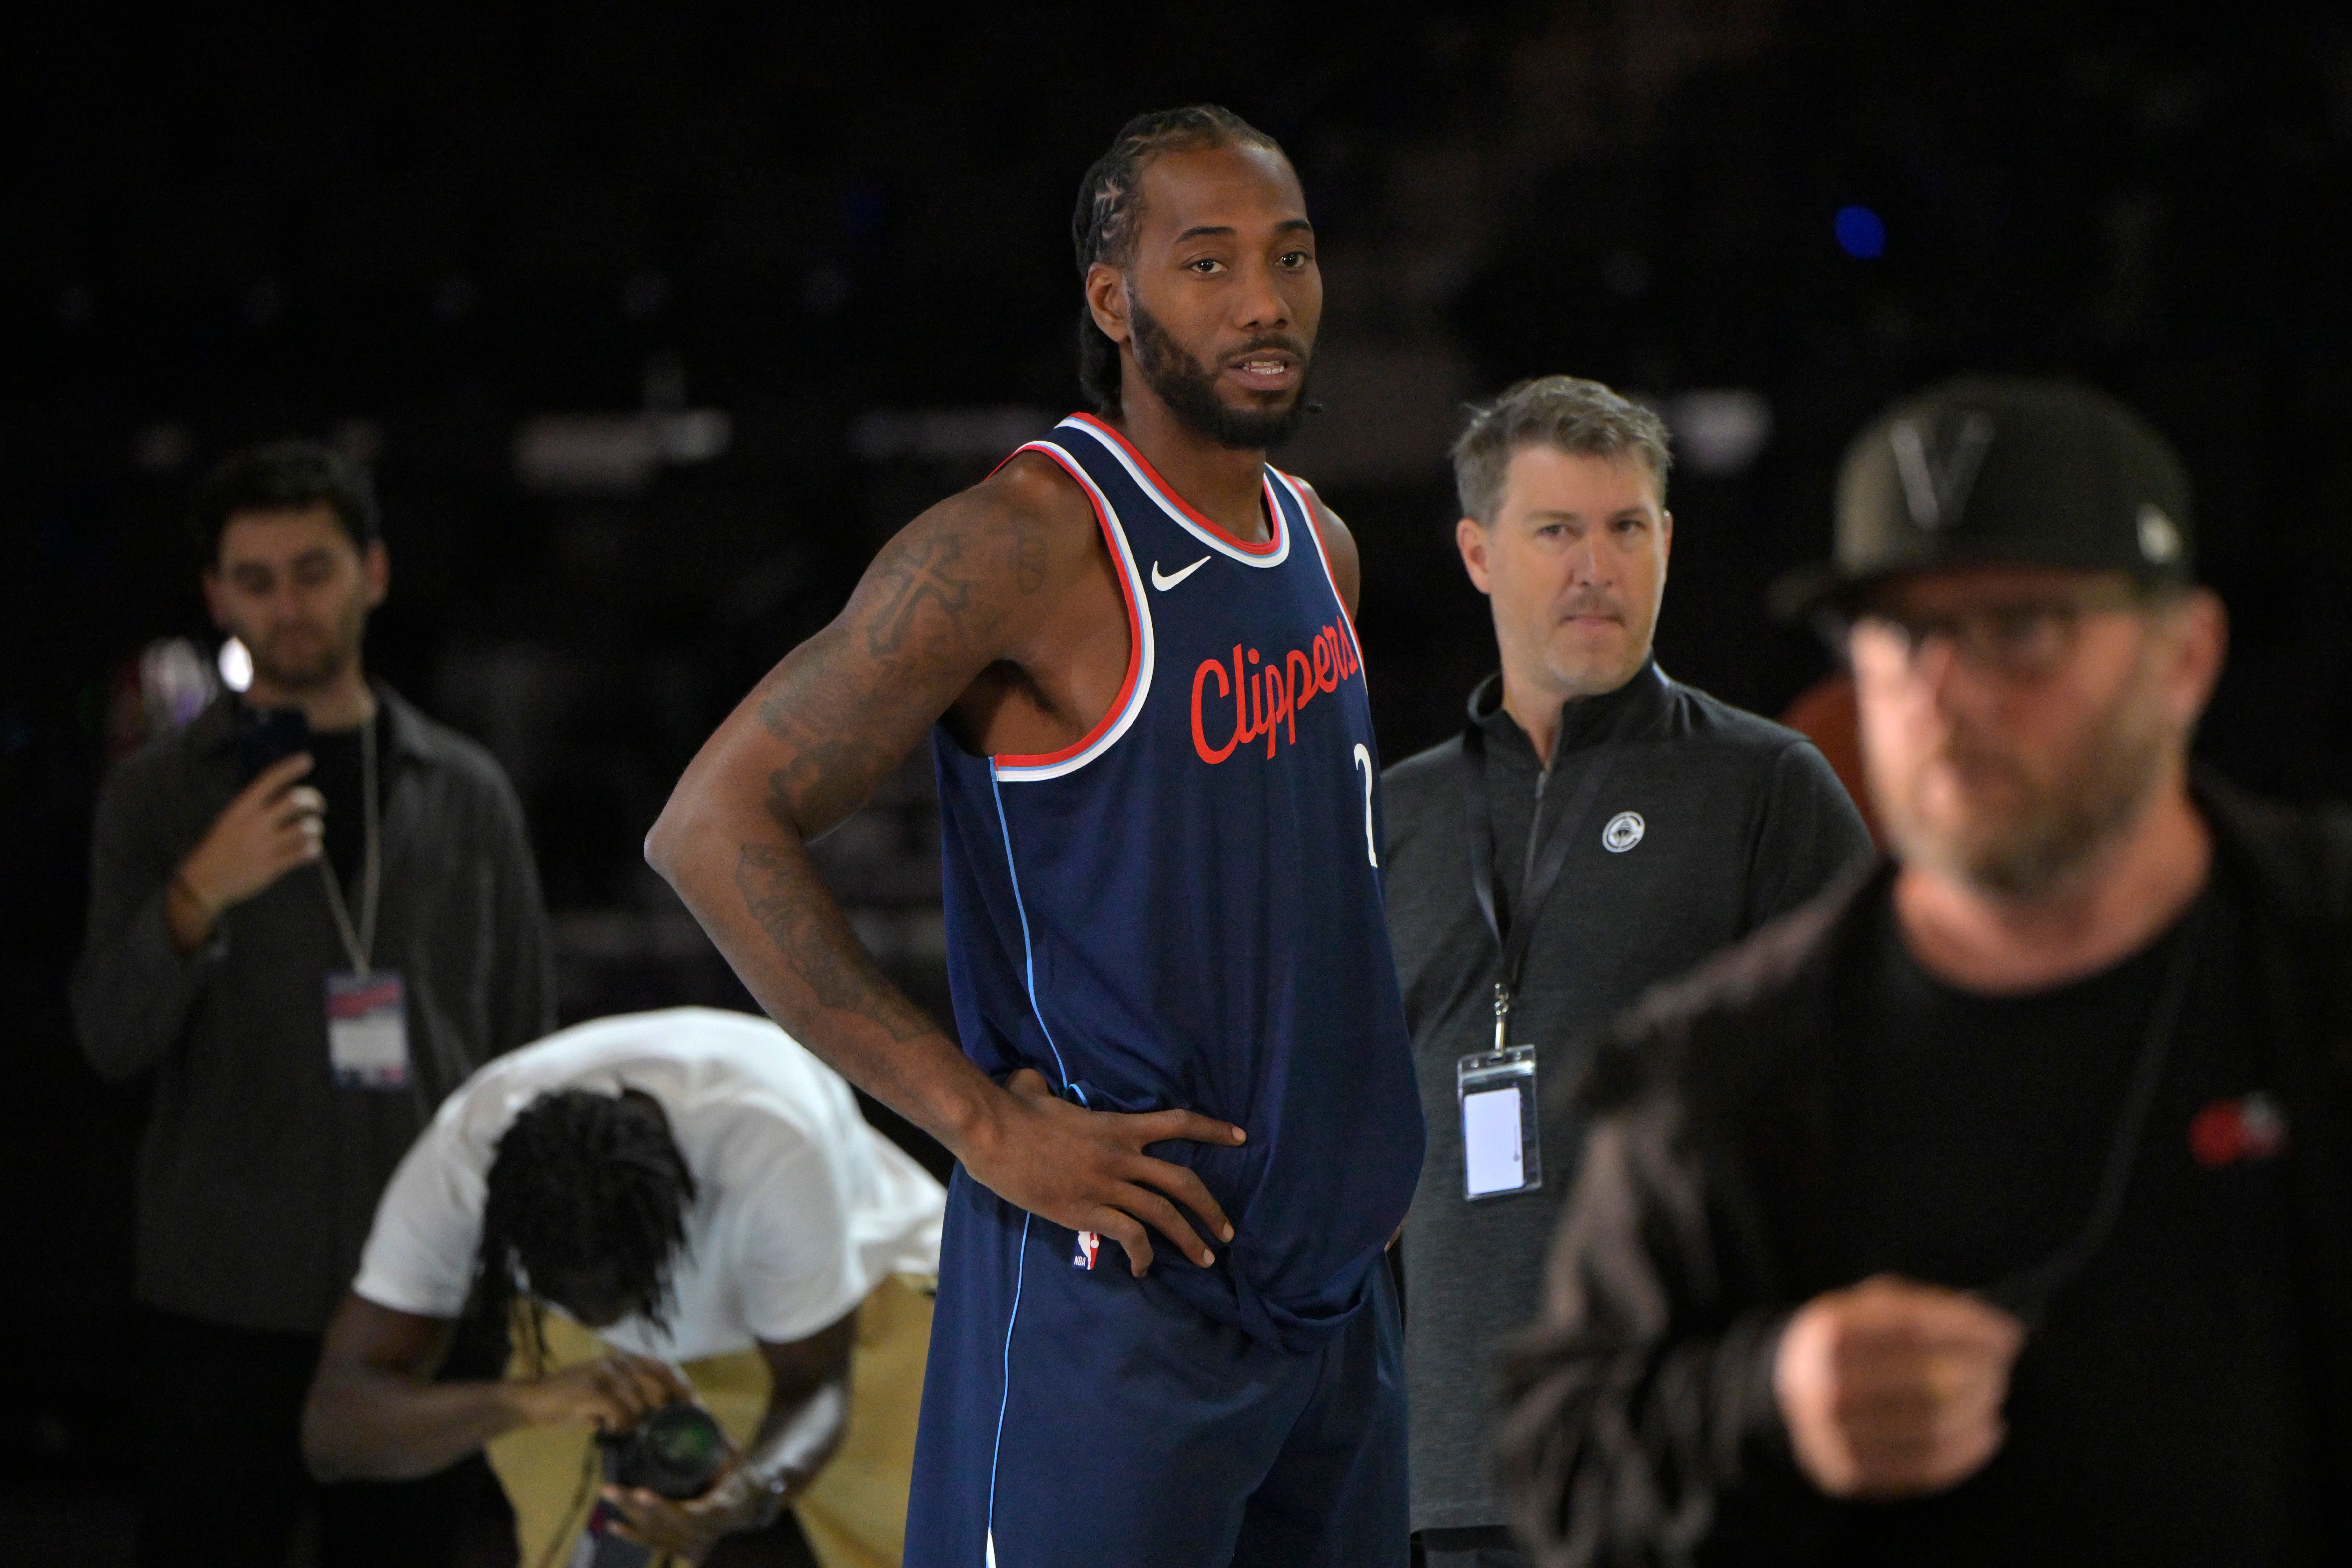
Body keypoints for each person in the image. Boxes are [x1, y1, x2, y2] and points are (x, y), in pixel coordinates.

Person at [645, 105, 1423, 1567]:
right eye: (1207, 262)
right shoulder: (1022, 540)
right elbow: (710, 822)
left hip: (1329, 1315)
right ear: (1111, 299)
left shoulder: (1318, 542)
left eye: (1291, 255)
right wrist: (982, 1121)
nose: (1264, 300)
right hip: (1114, 1305)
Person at [1500, 376, 2350, 1566]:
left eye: (2019, 626)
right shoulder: (1726, 1079)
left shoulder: (2313, 963)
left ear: (2182, 657)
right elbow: (1564, 1468)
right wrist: (1769, 1402)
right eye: (1900, 634)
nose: (1945, 689)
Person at [1382, 377, 1871, 1567]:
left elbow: (1877, 1087)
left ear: (1664, 543)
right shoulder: (1390, 816)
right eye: (1554, 531)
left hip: (1699, 1460)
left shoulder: (1766, 787)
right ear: (1476, 553)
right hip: (1457, 1469)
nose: (1594, 566)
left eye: (1625, 528)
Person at [70, 439, 555, 1567]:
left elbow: (522, 1046)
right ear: (216, 596)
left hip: (420, 1289)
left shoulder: (464, 790)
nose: (286, 604)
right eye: (255, 578)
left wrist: (514, 1280)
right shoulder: (159, 796)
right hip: (222, 1294)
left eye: (313, 569)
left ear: (372, 572)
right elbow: (106, 1036)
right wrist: (197, 896)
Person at [301, 1007, 945, 1568]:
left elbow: (815, 1388)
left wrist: (743, 1497)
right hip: (605, 1374)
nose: (605, 1318)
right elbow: (336, 1431)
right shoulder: (464, 1162)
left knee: (947, 1540)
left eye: (620, 1295)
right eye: (568, 1297)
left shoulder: (767, 1142)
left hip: (856, 1299)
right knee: (599, 1549)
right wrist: (524, 1401)